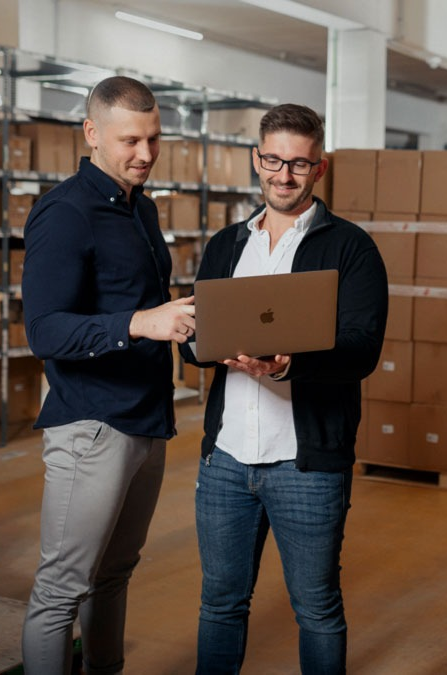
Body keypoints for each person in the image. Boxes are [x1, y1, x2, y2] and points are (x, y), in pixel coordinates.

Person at [181, 103, 388, 674]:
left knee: (316, 609)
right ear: (257, 159)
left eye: (299, 163)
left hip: (307, 465)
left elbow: (362, 348)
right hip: (225, 460)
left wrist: (286, 365)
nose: (284, 175)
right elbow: (193, 336)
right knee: (220, 605)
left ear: (319, 169)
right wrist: (199, 344)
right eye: (273, 160)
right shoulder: (226, 246)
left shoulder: (350, 248)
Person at [20, 75, 196, 675]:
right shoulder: (65, 212)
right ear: (92, 133)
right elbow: (44, 332)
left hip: (147, 418)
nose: (144, 154)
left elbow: (142, 304)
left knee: (116, 574)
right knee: (62, 589)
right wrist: (141, 323)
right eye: (129, 141)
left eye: (153, 139)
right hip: (92, 425)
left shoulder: (140, 208)